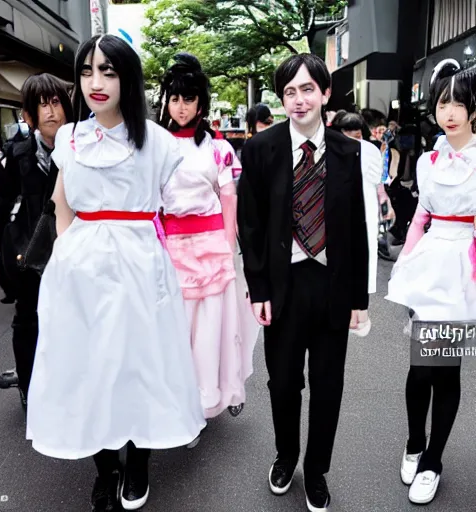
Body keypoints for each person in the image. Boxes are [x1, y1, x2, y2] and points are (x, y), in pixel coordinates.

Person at [26, 35, 205, 512]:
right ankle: (106, 468)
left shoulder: (159, 142)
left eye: (108, 71)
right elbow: (62, 207)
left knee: (140, 365)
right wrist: (69, 259)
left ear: (128, 76)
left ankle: (139, 460)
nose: (95, 83)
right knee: (90, 368)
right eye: (86, 72)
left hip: (141, 269)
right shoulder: (70, 137)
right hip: (81, 273)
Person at [237, 53, 369, 512]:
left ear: (326, 93)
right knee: (284, 382)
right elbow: (249, 225)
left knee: (329, 384)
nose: (298, 100)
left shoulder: (349, 152)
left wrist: (359, 297)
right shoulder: (259, 149)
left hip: (332, 283)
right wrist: (259, 291)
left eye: (307, 89)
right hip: (284, 283)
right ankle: (286, 455)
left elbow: (356, 229)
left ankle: (316, 470)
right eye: (289, 91)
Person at [386, 59, 476, 505]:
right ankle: (413, 442)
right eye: (444, 103)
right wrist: (406, 260)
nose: (451, 111)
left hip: (464, 267)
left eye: (460, 103)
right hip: (429, 265)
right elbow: (421, 216)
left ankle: (433, 461)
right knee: (422, 365)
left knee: (448, 369)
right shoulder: (426, 160)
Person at [157, 53, 259, 429]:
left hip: (213, 247)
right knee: (177, 329)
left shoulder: (219, 148)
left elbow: (229, 197)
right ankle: (181, 399)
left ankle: (216, 392)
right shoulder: (156, 146)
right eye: (174, 98)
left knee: (215, 327)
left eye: (188, 99)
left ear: (201, 102)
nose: (180, 107)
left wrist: (229, 246)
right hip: (170, 247)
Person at [0, 73, 73, 406]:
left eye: (55, 102)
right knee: (29, 319)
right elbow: (0, 205)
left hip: (72, 250)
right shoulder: (14, 155)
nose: (51, 111)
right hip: (27, 254)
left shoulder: (81, 149)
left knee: (72, 317)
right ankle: (30, 383)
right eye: (41, 104)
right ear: (28, 116)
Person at [330, 111, 395, 296]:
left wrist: (385, 205)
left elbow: (379, 184)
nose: (353, 143)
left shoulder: (369, 150)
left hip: (363, 212)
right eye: (347, 137)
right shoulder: (328, 150)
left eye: (357, 137)